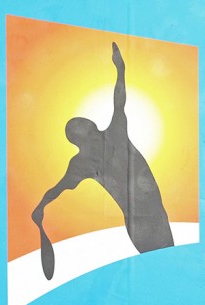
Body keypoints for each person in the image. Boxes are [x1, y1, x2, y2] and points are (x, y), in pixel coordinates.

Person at [32, 42, 174, 280]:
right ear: (82, 136)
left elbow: (120, 98)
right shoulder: (83, 162)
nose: (88, 124)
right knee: (165, 274)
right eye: (83, 125)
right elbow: (55, 190)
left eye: (84, 122)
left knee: (167, 273)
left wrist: (121, 69)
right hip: (144, 223)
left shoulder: (107, 139)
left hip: (152, 219)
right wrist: (41, 207)